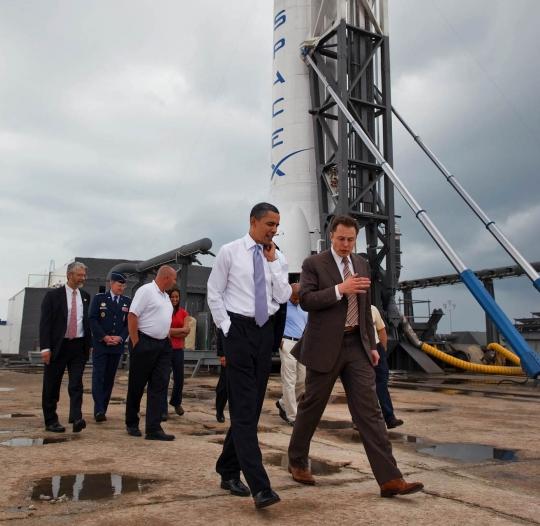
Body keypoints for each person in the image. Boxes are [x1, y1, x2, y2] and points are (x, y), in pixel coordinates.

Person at [287, 215, 423, 498]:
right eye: (341, 239)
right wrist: (340, 289)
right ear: (331, 236)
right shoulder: (313, 264)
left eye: (351, 239)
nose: (346, 244)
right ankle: (297, 461)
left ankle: (390, 479)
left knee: (370, 412)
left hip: (356, 347)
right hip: (324, 347)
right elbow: (307, 300)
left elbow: (364, 307)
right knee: (312, 406)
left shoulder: (361, 264)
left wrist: (372, 345)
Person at [207, 202, 291, 509]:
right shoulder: (230, 252)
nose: (274, 229)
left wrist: (274, 264)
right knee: (243, 410)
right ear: (253, 222)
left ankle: (227, 468)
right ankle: (261, 487)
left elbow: (282, 297)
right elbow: (214, 292)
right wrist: (227, 327)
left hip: (263, 333)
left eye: (277, 224)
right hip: (238, 331)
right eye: (269, 223)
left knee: (251, 409)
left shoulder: (277, 256)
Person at [125, 265, 177, 441]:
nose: (175, 282)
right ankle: (132, 423)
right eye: (174, 279)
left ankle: (153, 428)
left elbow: (165, 320)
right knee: (137, 385)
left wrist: (167, 338)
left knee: (159, 385)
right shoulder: (146, 291)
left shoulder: (165, 297)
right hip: (144, 342)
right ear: (166, 278)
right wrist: (135, 342)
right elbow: (132, 315)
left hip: (162, 346)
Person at [39, 261, 92, 433]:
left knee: (76, 383)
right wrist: (45, 348)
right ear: (69, 275)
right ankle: (51, 420)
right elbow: (45, 324)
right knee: (52, 384)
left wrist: (88, 345)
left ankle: (76, 418)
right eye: (79, 275)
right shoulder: (53, 296)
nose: (83, 278)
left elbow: (85, 321)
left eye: (84, 275)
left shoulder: (85, 296)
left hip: (78, 346)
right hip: (58, 347)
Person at [89, 271, 131, 422]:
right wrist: (104, 337)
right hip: (101, 344)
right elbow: (92, 319)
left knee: (109, 378)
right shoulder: (100, 299)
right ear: (111, 284)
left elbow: (128, 323)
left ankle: (103, 409)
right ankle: (98, 408)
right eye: (119, 285)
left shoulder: (127, 301)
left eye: (123, 285)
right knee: (98, 376)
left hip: (116, 345)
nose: (122, 288)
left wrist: (120, 337)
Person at [276, 282, 307, 426]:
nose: (296, 301)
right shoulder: (281, 306)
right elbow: (274, 323)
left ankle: (283, 403)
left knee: (303, 379)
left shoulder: (304, 307)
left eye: (299, 298)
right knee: (289, 380)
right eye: (294, 298)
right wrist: (278, 340)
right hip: (287, 342)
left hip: (301, 343)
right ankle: (292, 416)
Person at [372, 305, 403, 429]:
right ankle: (359, 421)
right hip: (359, 350)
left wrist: (383, 351)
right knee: (360, 389)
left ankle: (389, 418)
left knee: (382, 385)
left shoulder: (373, 309)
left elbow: (382, 330)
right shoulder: (344, 310)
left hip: (376, 348)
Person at [161, 287, 190, 420]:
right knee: (164, 378)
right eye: (172, 296)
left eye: (177, 297)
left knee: (179, 378)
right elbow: (164, 329)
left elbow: (187, 330)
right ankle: (163, 409)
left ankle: (176, 402)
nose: (174, 299)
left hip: (178, 349)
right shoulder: (164, 311)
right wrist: (179, 331)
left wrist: (171, 331)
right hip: (166, 348)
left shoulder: (184, 313)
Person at [215, 327, 227, 423]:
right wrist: (222, 354)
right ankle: (220, 411)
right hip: (227, 354)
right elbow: (220, 334)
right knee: (223, 386)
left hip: (242, 353)